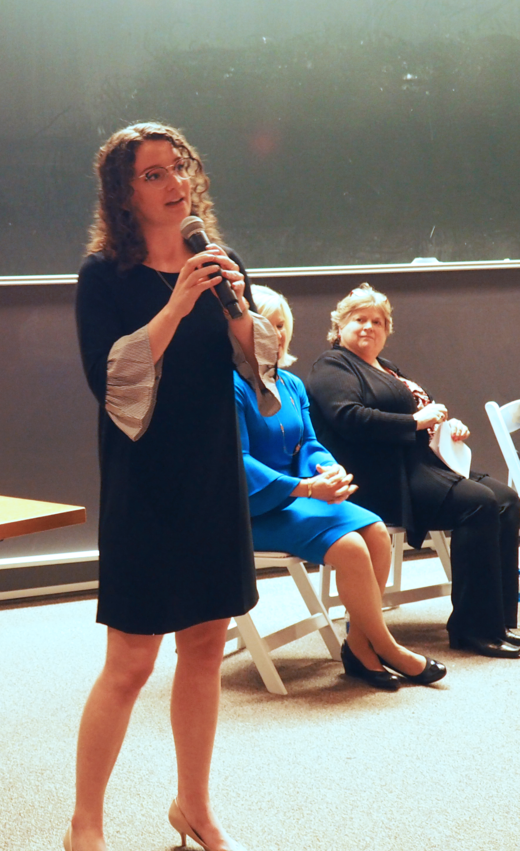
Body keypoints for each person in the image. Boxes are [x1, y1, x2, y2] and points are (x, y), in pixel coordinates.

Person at [70, 122, 277, 851]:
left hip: (212, 473)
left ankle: (195, 806)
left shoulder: (217, 261)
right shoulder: (104, 277)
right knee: (130, 660)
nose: (174, 180)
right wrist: (177, 303)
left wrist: (238, 306)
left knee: (204, 645)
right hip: (144, 482)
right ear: (124, 194)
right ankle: (84, 824)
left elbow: (259, 366)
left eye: (178, 165)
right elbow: (112, 379)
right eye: (153, 173)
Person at [235, 286, 446, 689]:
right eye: (265, 324)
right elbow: (238, 464)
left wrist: (329, 471)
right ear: (240, 329)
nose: (275, 334)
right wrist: (306, 487)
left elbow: (310, 443)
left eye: (281, 326)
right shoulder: (230, 386)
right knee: (350, 547)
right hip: (253, 506)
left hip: (301, 494)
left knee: (376, 532)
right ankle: (387, 646)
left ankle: (358, 645)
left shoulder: (291, 384)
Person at [307, 283, 520, 659]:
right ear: (340, 326)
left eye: (378, 321)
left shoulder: (386, 368)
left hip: (424, 462)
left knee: (507, 500)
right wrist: (416, 422)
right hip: (382, 476)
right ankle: (472, 629)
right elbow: (349, 417)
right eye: (359, 319)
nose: (369, 326)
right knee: (479, 504)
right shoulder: (332, 365)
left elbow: (424, 410)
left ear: (387, 332)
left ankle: (499, 621)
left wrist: (445, 426)